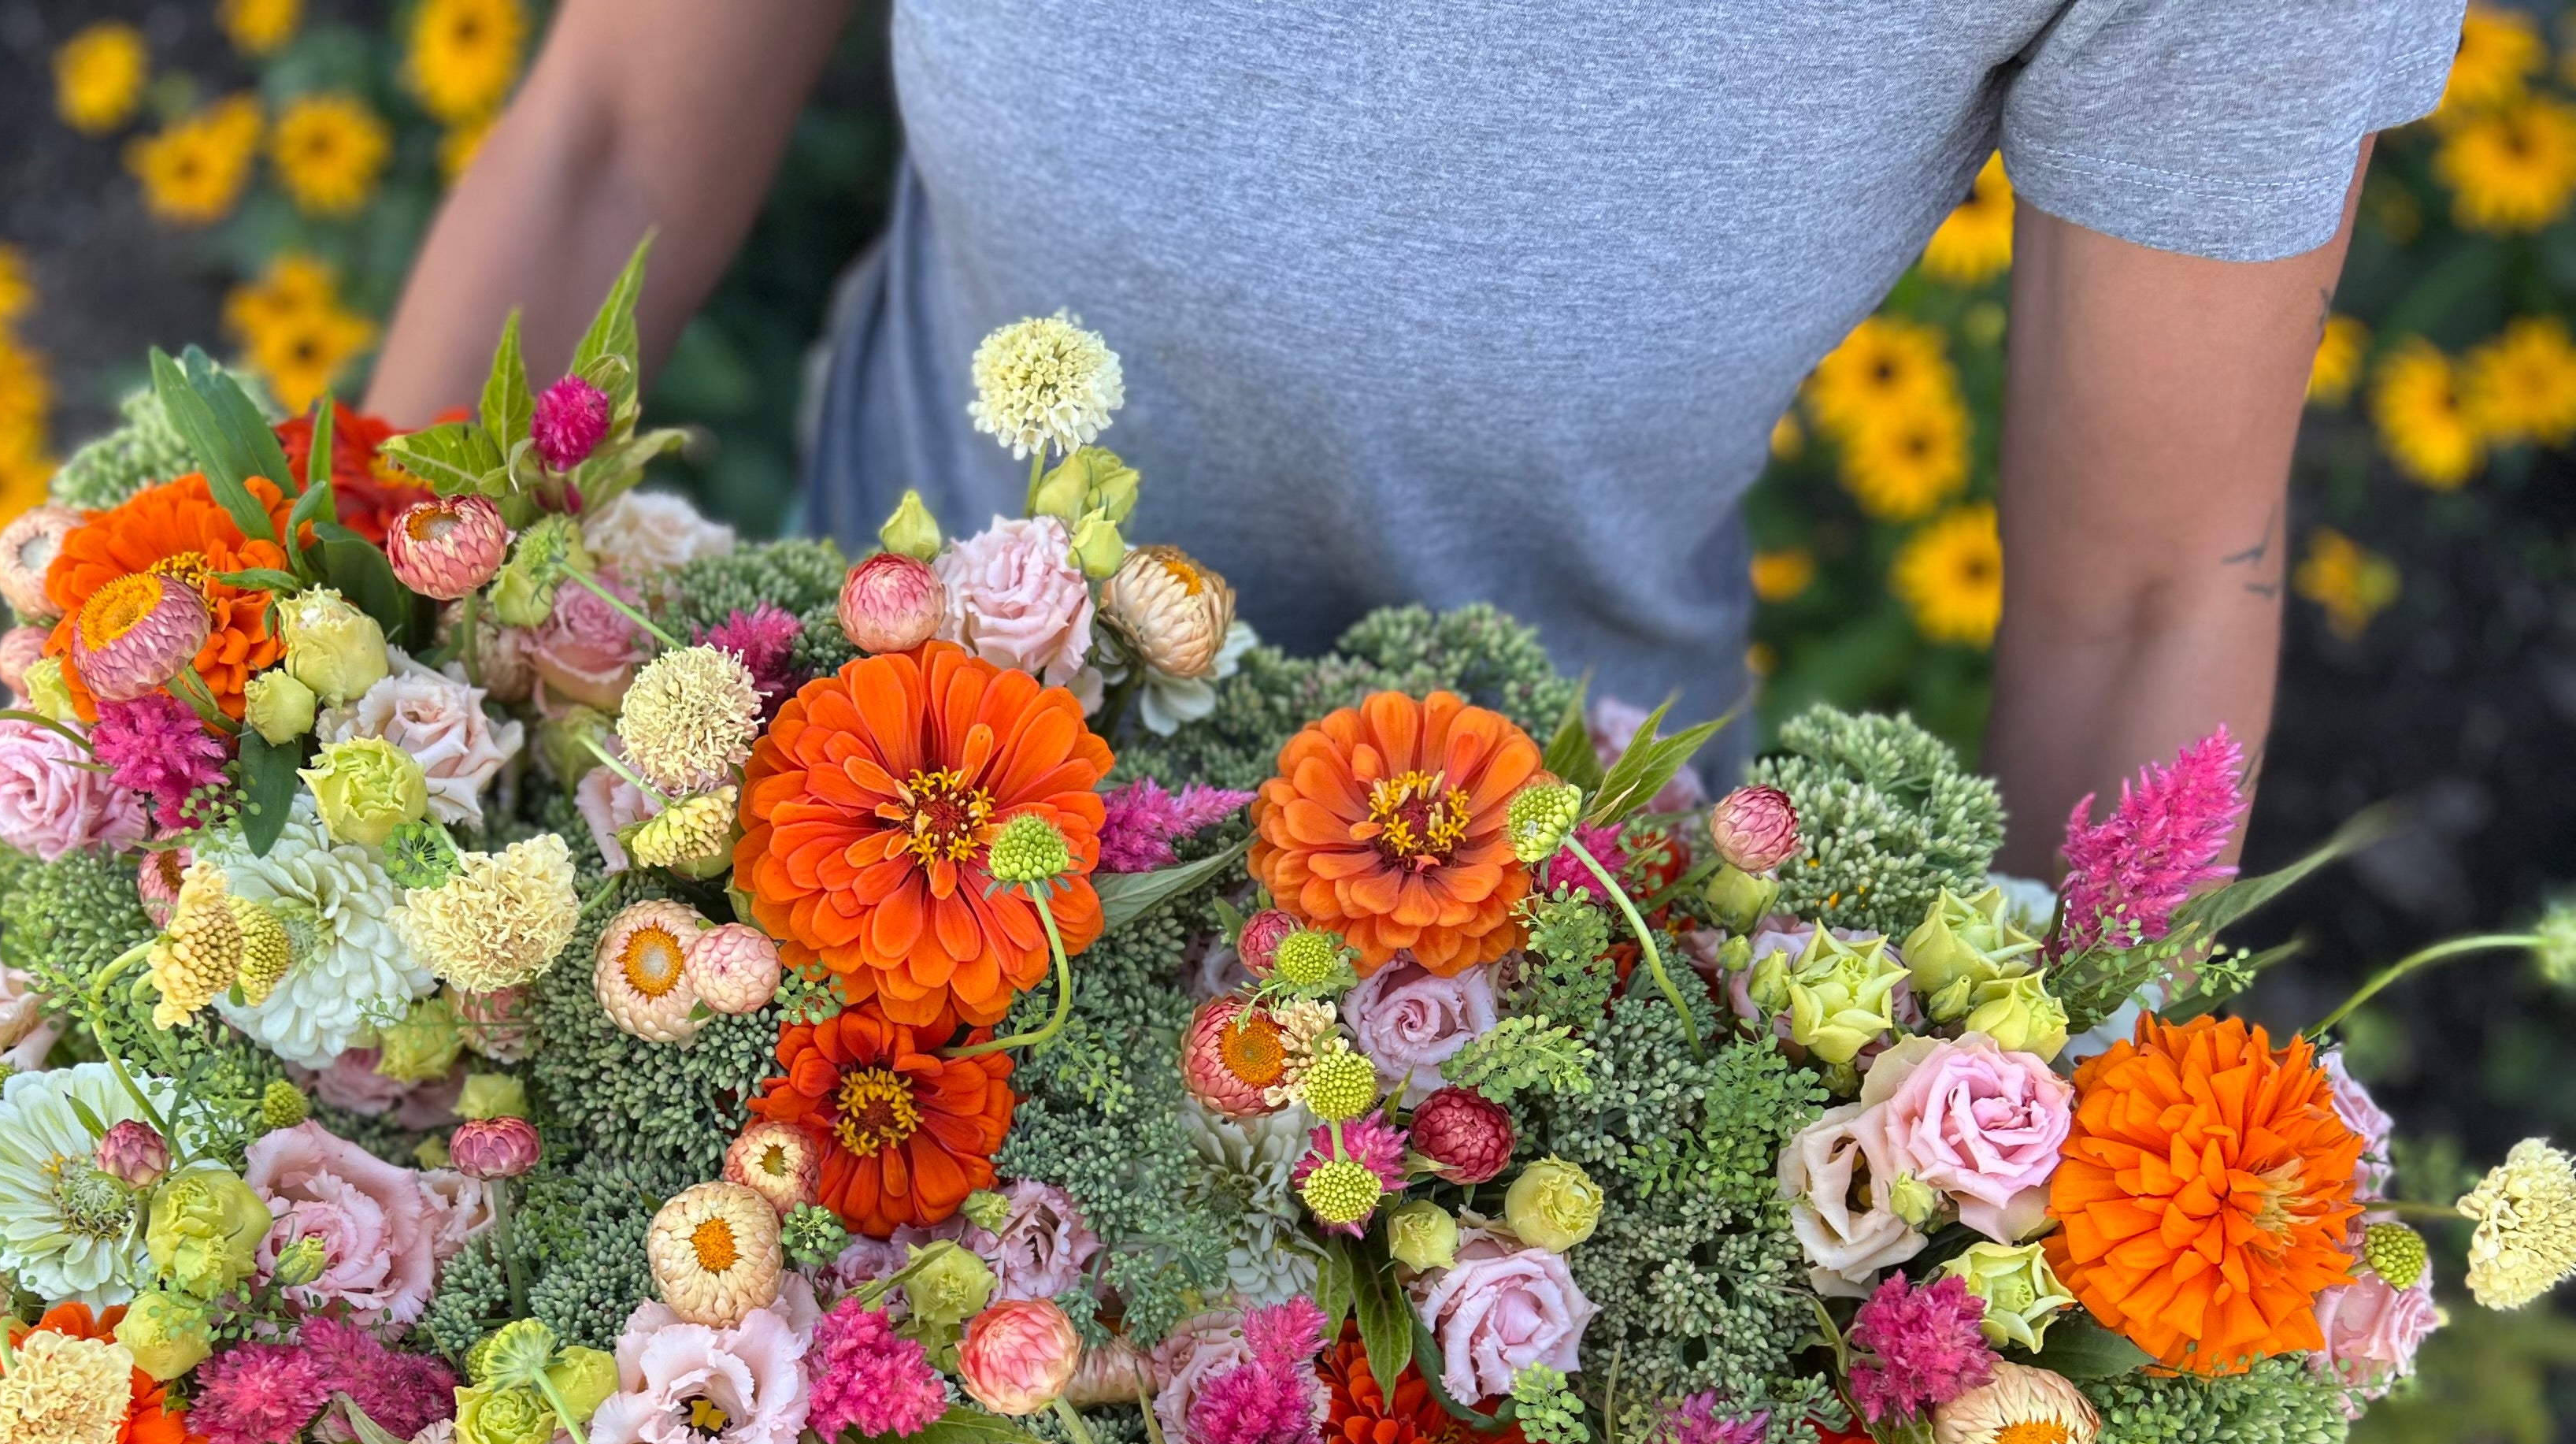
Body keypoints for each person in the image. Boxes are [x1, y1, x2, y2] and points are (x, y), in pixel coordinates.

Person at [366, 0, 2463, 865]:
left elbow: (2151, 589)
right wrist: (339, 693)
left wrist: (2020, 1209)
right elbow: (616, 130)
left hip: (1546, 1003)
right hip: (816, 768)